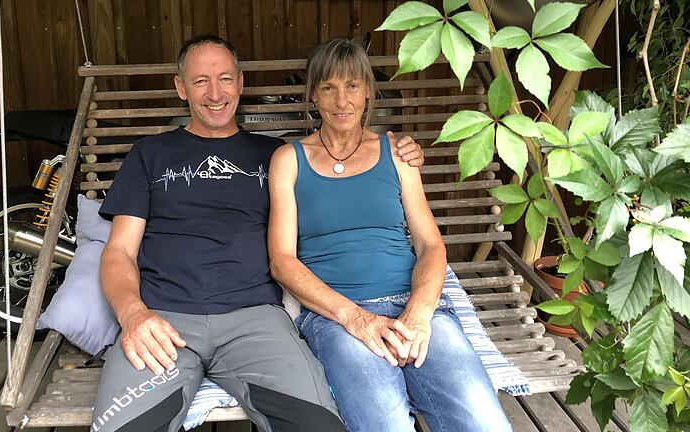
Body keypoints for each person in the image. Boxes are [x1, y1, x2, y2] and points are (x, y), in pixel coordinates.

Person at [91, 34, 424, 432]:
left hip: (256, 322)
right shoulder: (150, 154)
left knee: (318, 427)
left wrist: (398, 150)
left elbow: (346, 183)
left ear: (240, 83)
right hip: (164, 321)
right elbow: (118, 253)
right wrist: (133, 315)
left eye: (225, 79)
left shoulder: (279, 156)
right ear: (181, 88)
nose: (215, 93)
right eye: (200, 81)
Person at [267, 37, 513, 432]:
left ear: (368, 91)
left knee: (485, 424)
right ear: (313, 94)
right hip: (337, 317)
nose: (341, 101)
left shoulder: (398, 153)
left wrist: (419, 312)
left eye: (352, 86)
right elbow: (281, 260)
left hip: (409, 304)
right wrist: (356, 318)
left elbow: (431, 244)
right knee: (385, 426)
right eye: (328, 87)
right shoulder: (288, 159)